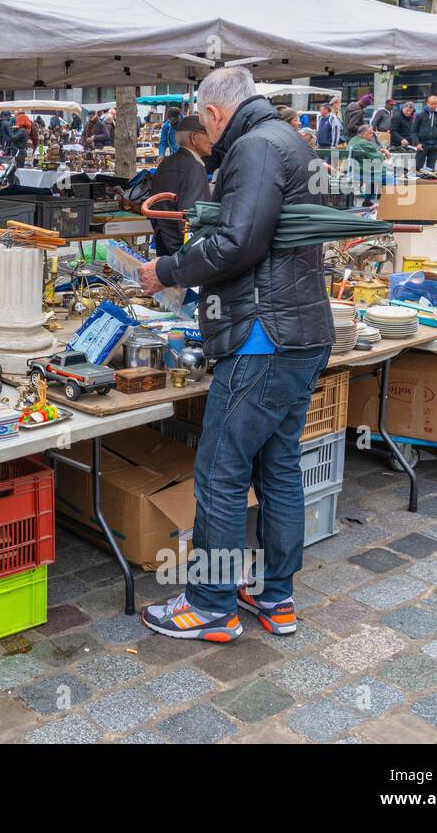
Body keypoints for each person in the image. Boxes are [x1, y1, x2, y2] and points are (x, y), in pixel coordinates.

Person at [135, 66, 332, 644]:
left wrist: (166, 270)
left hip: (263, 336)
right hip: (300, 331)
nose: (209, 135)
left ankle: (211, 604)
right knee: (277, 467)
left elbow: (237, 243)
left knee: (220, 471)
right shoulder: (290, 139)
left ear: (216, 115)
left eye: (207, 124)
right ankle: (277, 597)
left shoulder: (252, 148)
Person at [138, 114, 211, 256]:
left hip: (164, 241)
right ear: (194, 138)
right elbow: (191, 218)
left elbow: (155, 203)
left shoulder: (166, 162)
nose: (212, 140)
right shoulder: (194, 167)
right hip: (182, 251)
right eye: (207, 134)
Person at [345, 122, 389, 202]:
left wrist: (379, 150)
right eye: (370, 133)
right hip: (362, 172)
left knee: (374, 175)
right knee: (391, 179)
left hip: (353, 170)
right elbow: (379, 158)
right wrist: (381, 153)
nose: (372, 135)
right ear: (362, 134)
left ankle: (368, 201)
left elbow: (372, 151)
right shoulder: (364, 143)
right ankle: (387, 204)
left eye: (372, 133)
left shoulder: (353, 140)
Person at [414, 94, 437, 171]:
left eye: (436, 104)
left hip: (435, 145)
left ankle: (429, 182)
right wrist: (417, 143)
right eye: (432, 104)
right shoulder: (420, 115)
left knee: (431, 169)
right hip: (422, 144)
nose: (434, 106)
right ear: (427, 103)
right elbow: (414, 130)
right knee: (418, 167)